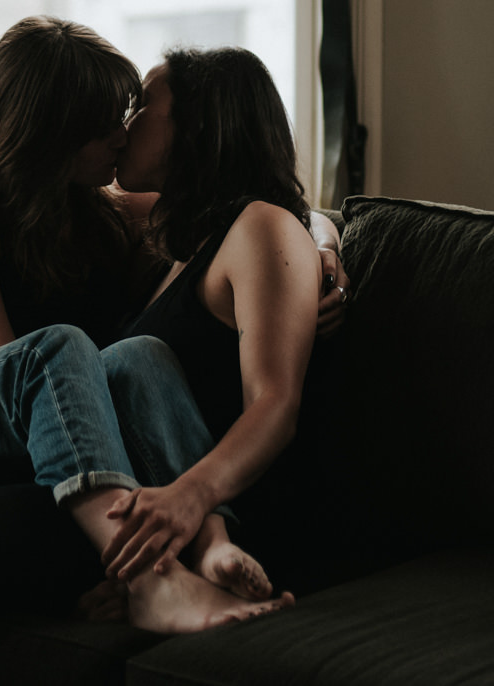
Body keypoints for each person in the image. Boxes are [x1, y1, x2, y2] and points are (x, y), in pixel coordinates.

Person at [0, 17, 318, 634]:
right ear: (55, 135)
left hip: (36, 456)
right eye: (109, 122)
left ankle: (206, 542)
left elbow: (264, 209)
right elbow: (7, 380)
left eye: (135, 112)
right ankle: (152, 581)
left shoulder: (110, 213)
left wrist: (322, 246)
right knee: (58, 348)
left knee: (140, 353)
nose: (122, 131)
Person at [95, 45, 333, 590]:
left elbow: (275, 404)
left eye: (141, 110)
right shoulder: (179, 240)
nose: (123, 126)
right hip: (158, 513)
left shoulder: (260, 228)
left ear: (198, 129)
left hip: (240, 517)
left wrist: (189, 497)